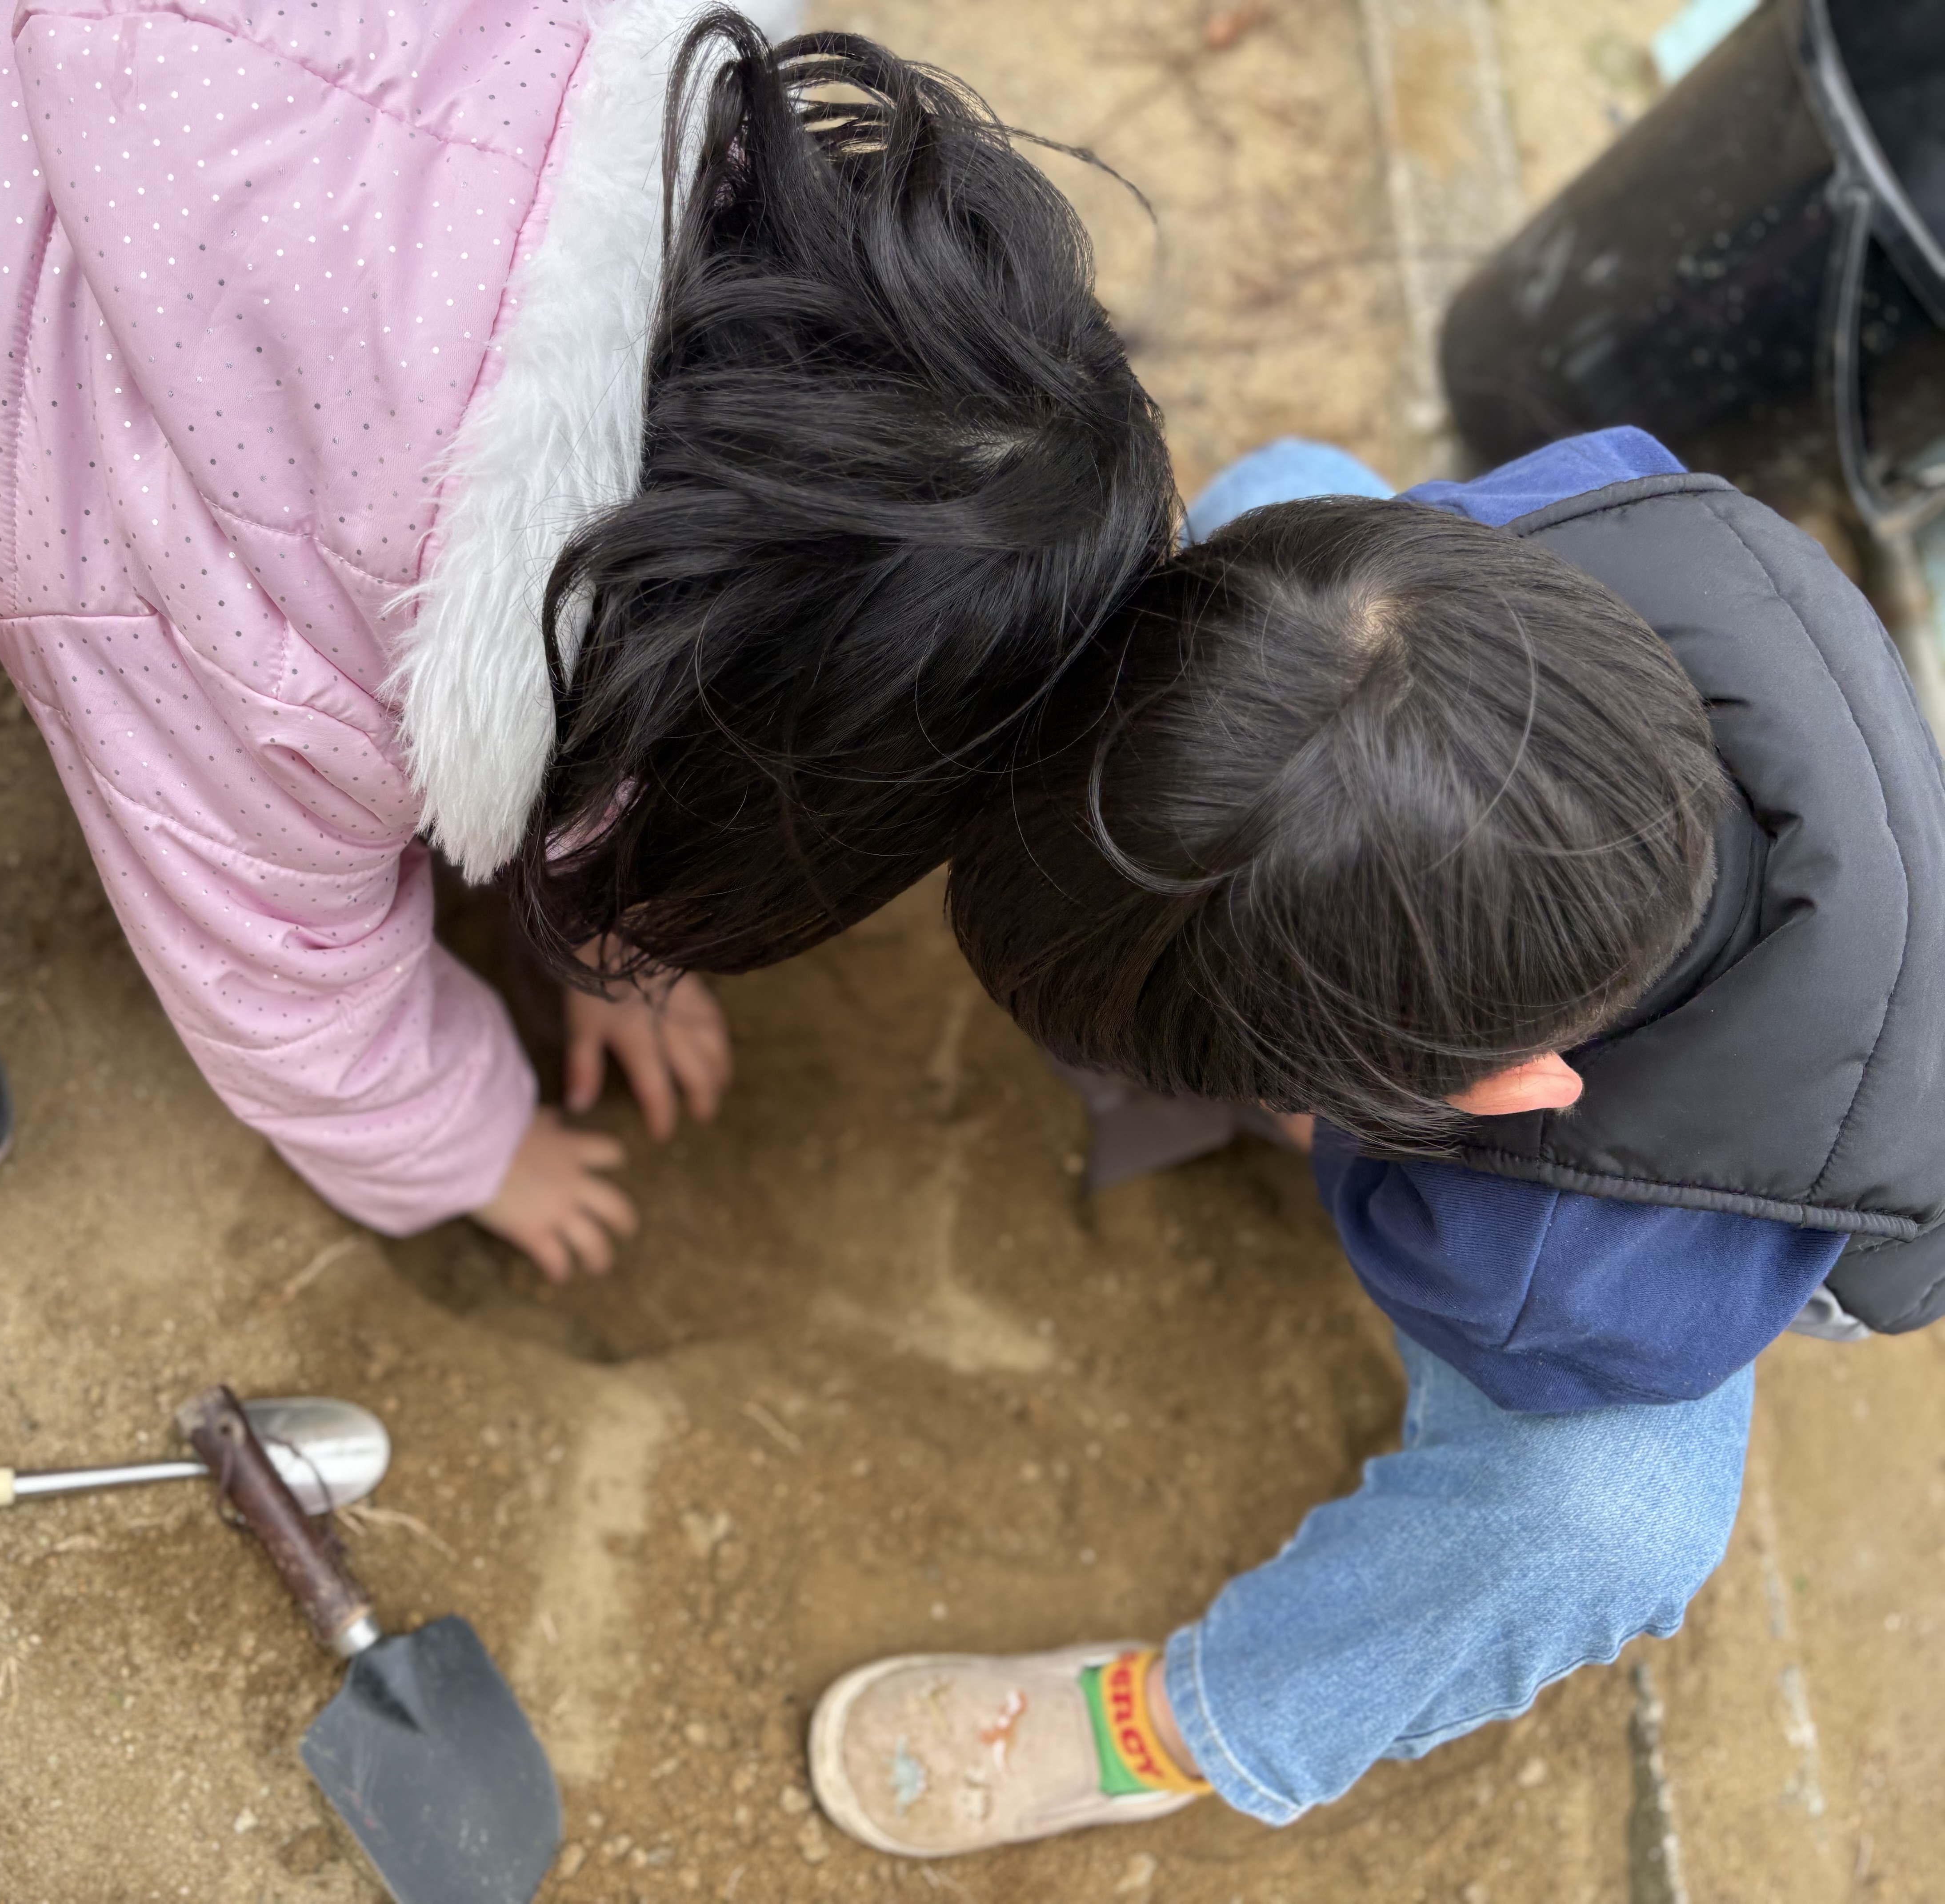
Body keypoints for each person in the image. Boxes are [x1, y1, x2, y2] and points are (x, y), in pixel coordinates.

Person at [0, 2, 1174, 1269]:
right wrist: (471, 1143)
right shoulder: (262, 646)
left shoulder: (561, 81)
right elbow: (278, 976)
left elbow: (667, 571)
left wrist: (602, 925)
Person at [806, 427, 1945, 1850]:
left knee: (1601, 1516)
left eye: (1306, 1084)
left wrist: (1329, 1112)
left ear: (1475, 1100)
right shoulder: (1600, 502)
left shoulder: (1545, 1265)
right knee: (1276, 495)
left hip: (1758, 1214)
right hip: (1760, 963)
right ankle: (1205, 1042)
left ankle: (1185, 1722)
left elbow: (1429, 1210)